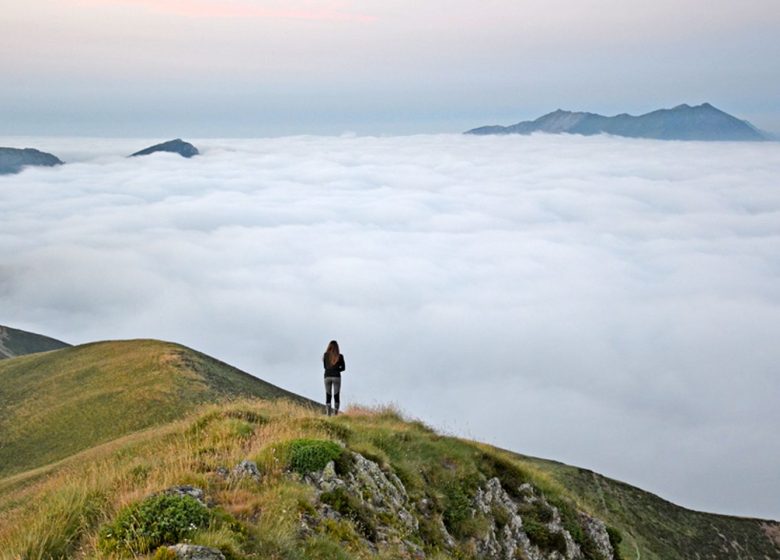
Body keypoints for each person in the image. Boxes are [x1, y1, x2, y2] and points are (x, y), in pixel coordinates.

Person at [323, 340, 345, 416]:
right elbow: (343, 368)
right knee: (336, 395)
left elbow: (325, 367)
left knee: (328, 395)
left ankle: (328, 415)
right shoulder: (340, 356)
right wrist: (336, 369)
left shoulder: (325, 355)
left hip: (327, 376)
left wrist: (330, 369)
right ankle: (335, 414)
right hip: (336, 377)